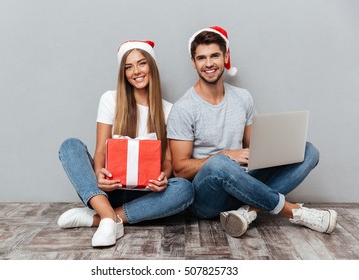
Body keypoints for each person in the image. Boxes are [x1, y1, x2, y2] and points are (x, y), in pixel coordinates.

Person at [166, 26, 337, 238]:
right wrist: (225, 155)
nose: (208, 63)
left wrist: (278, 146)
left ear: (226, 56)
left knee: (309, 151)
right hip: (207, 198)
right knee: (220, 163)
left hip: (243, 181)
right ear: (193, 62)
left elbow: (256, 149)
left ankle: (248, 211)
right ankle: (294, 211)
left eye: (214, 56)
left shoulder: (243, 98)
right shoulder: (183, 108)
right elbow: (180, 170)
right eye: (201, 58)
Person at [57, 40, 193, 247]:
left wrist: (163, 176)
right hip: (111, 190)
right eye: (129, 67)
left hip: (147, 195)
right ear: (123, 73)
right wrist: (99, 174)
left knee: (184, 189)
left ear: (151, 67)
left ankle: (102, 219)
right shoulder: (110, 99)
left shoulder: (169, 110)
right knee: (70, 145)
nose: (136, 71)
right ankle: (107, 213)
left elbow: (167, 160)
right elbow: (101, 150)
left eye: (141, 64)